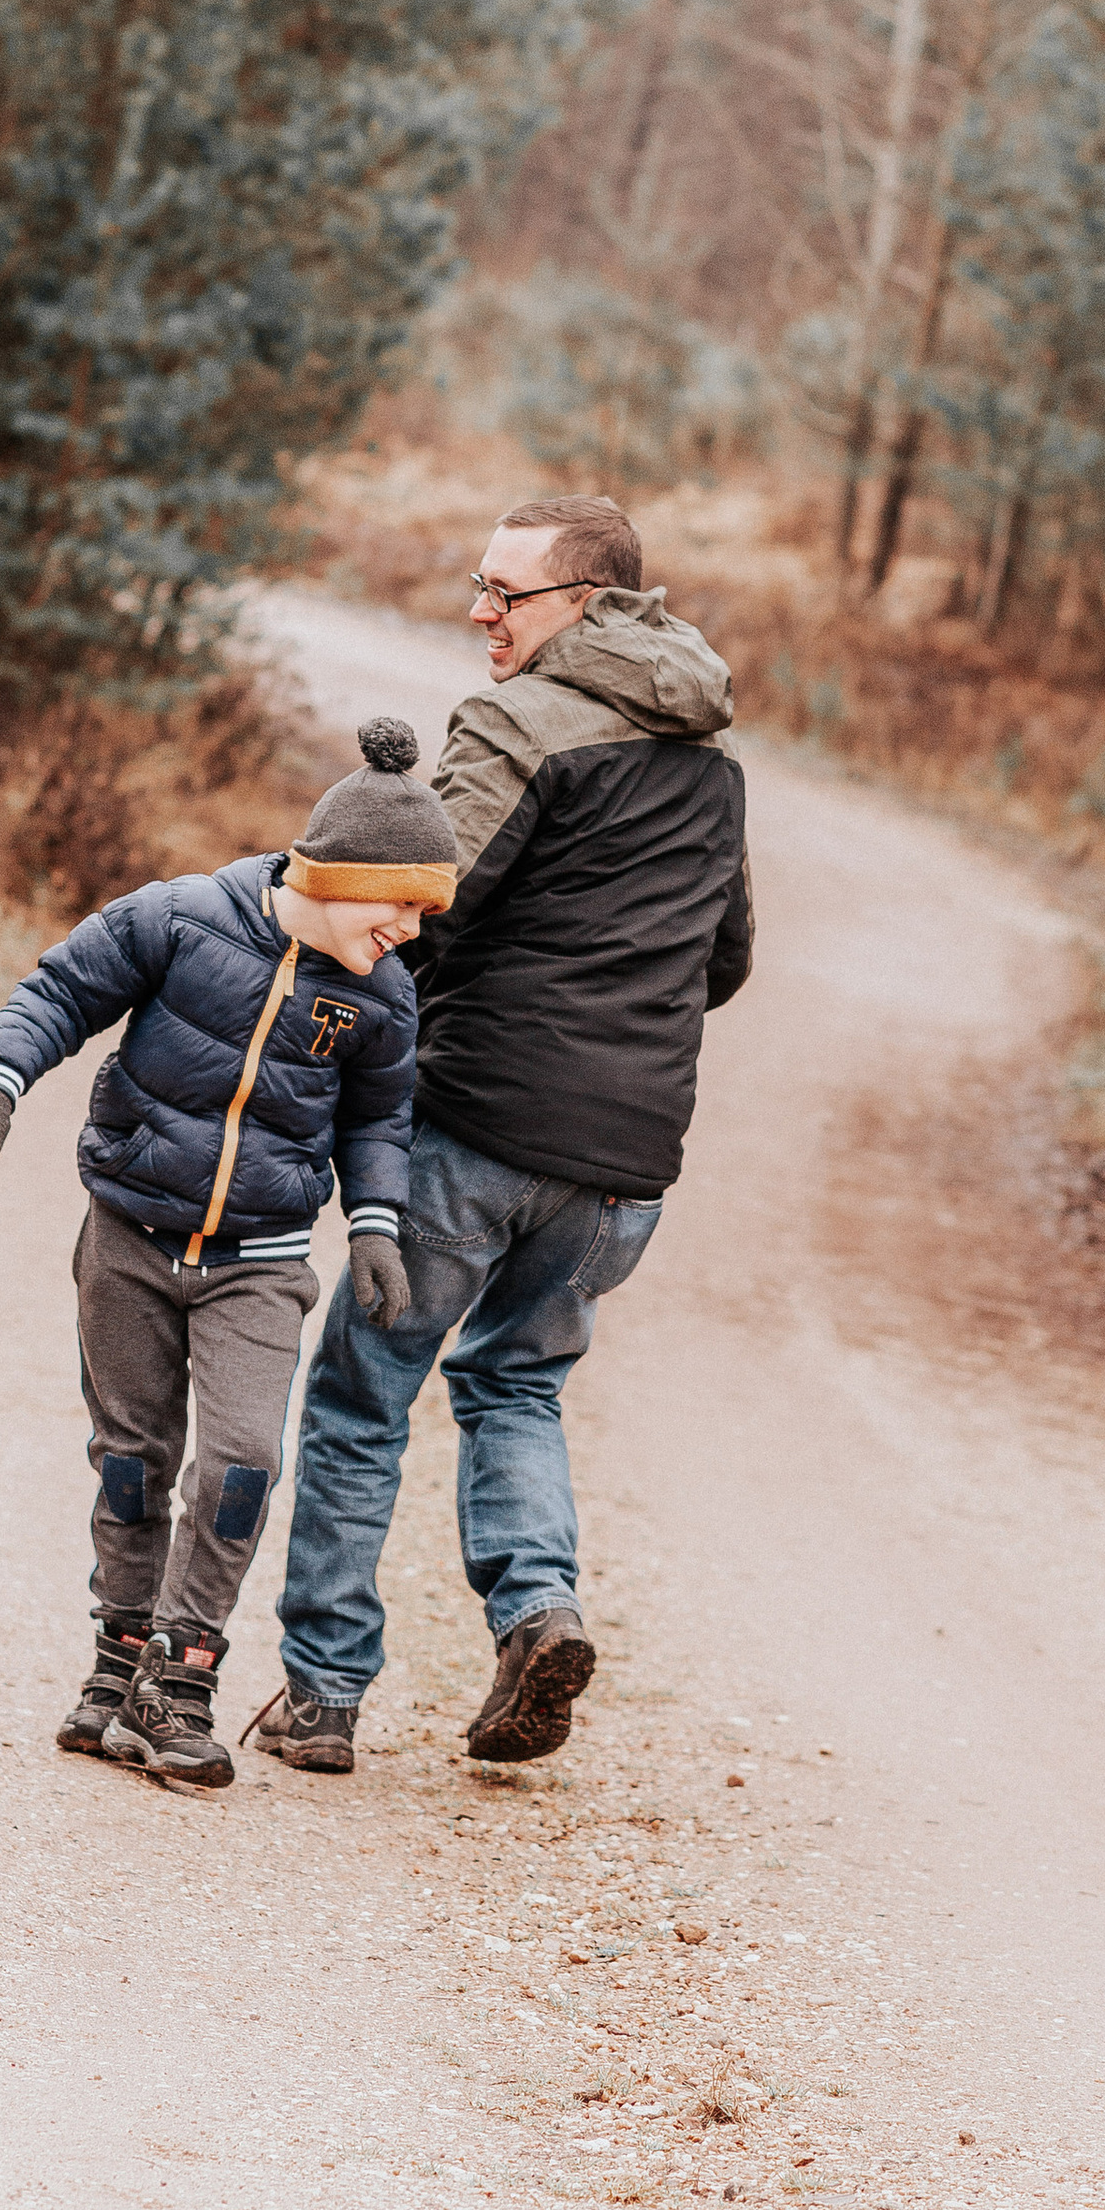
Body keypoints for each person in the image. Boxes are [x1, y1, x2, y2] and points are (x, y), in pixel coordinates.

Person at [252, 495, 752, 1777]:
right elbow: (723, 963)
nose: (480, 611)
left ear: (587, 604)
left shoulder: (517, 724)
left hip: (476, 1125)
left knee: (364, 1396)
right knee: (516, 1385)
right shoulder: (712, 760)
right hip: (625, 1168)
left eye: (505, 593)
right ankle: (537, 1613)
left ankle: (322, 1697)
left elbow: (425, 901)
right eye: (478, 584)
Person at [0, 719, 458, 1792]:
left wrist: (376, 1226)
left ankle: (183, 1672)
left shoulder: (381, 993)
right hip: (128, 1236)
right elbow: (59, 993)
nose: (409, 930)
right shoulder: (178, 919)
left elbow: (379, 1121)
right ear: (338, 878)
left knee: (244, 1460)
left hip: (261, 1258)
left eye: (423, 914)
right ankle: (119, 1658)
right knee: (132, 1456)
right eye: (400, 904)